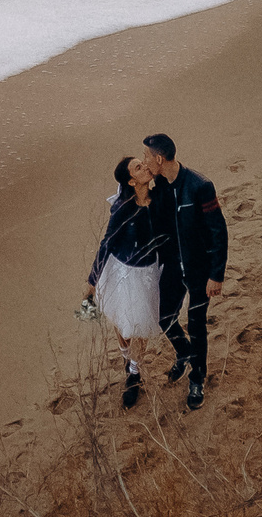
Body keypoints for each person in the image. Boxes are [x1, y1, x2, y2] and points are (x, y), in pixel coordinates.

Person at [140, 132, 228, 410]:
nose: (144, 162)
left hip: (199, 269)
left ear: (159, 158)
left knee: (197, 323)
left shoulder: (200, 186)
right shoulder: (162, 187)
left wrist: (217, 275)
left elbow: (218, 232)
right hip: (172, 267)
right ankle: (184, 352)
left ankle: (197, 378)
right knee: (164, 317)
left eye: (146, 157)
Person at [85, 155, 165, 407]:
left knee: (140, 325)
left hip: (148, 272)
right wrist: (92, 280)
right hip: (122, 271)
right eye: (138, 168)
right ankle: (124, 354)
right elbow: (107, 242)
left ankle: (134, 373)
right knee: (122, 323)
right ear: (131, 181)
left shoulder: (159, 198)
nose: (145, 167)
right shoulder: (122, 207)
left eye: (143, 163)